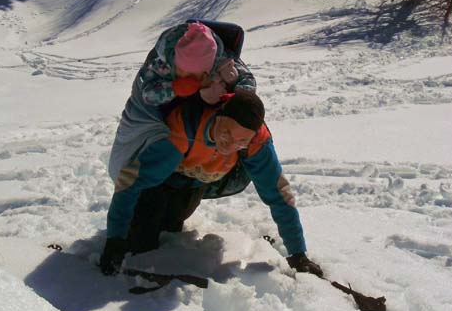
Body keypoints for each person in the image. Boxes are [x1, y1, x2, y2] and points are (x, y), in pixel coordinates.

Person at [100, 89, 323, 278]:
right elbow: (131, 181)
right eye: (226, 134)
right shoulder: (184, 128)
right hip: (162, 179)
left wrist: (298, 255)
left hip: (200, 181)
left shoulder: (256, 141)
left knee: (170, 226)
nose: (230, 145)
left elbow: (279, 194)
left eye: (241, 141)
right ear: (217, 117)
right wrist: (115, 239)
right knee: (140, 243)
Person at [108, 20, 256, 183]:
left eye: (195, 75)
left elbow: (247, 80)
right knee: (127, 161)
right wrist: (174, 88)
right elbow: (147, 94)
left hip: (194, 121)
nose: (187, 77)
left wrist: (234, 97)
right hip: (157, 114)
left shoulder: (220, 58)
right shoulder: (162, 61)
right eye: (182, 72)